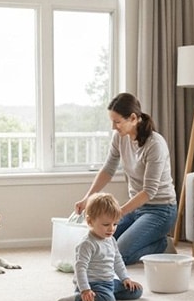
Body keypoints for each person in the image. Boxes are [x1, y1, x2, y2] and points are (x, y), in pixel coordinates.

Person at [75, 92, 177, 265]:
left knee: (120, 256)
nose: (114, 127)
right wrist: (87, 198)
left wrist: (118, 213)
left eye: (117, 122)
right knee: (100, 242)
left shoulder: (155, 145)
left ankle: (162, 244)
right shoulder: (119, 138)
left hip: (160, 210)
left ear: (133, 118)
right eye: (112, 121)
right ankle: (148, 239)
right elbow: (108, 169)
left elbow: (149, 191)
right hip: (135, 208)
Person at [56, 192, 143, 301]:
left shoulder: (111, 240)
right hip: (92, 283)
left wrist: (125, 278)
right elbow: (80, 268)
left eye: (115, 224)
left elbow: (117, 260)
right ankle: (79, 298)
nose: (111, 229)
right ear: (90, 221)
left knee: (136, 290)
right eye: (106, 224)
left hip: (109, 281)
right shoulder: (87, 244)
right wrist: (85, 289)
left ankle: (105, 294)